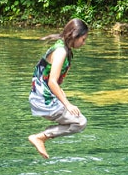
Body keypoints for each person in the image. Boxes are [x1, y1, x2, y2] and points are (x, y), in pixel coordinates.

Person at [28, 18, 89, 158]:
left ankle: (41, 137)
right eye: (83, 39)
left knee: (77, 122)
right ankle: (40, 137)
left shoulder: (62, 47)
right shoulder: (61, 51)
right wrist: (67, 104)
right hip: (43, 99)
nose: (83, 43)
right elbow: (52, 82)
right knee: (80, 122)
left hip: (42, 96)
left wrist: (62, 95)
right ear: (75, 35)